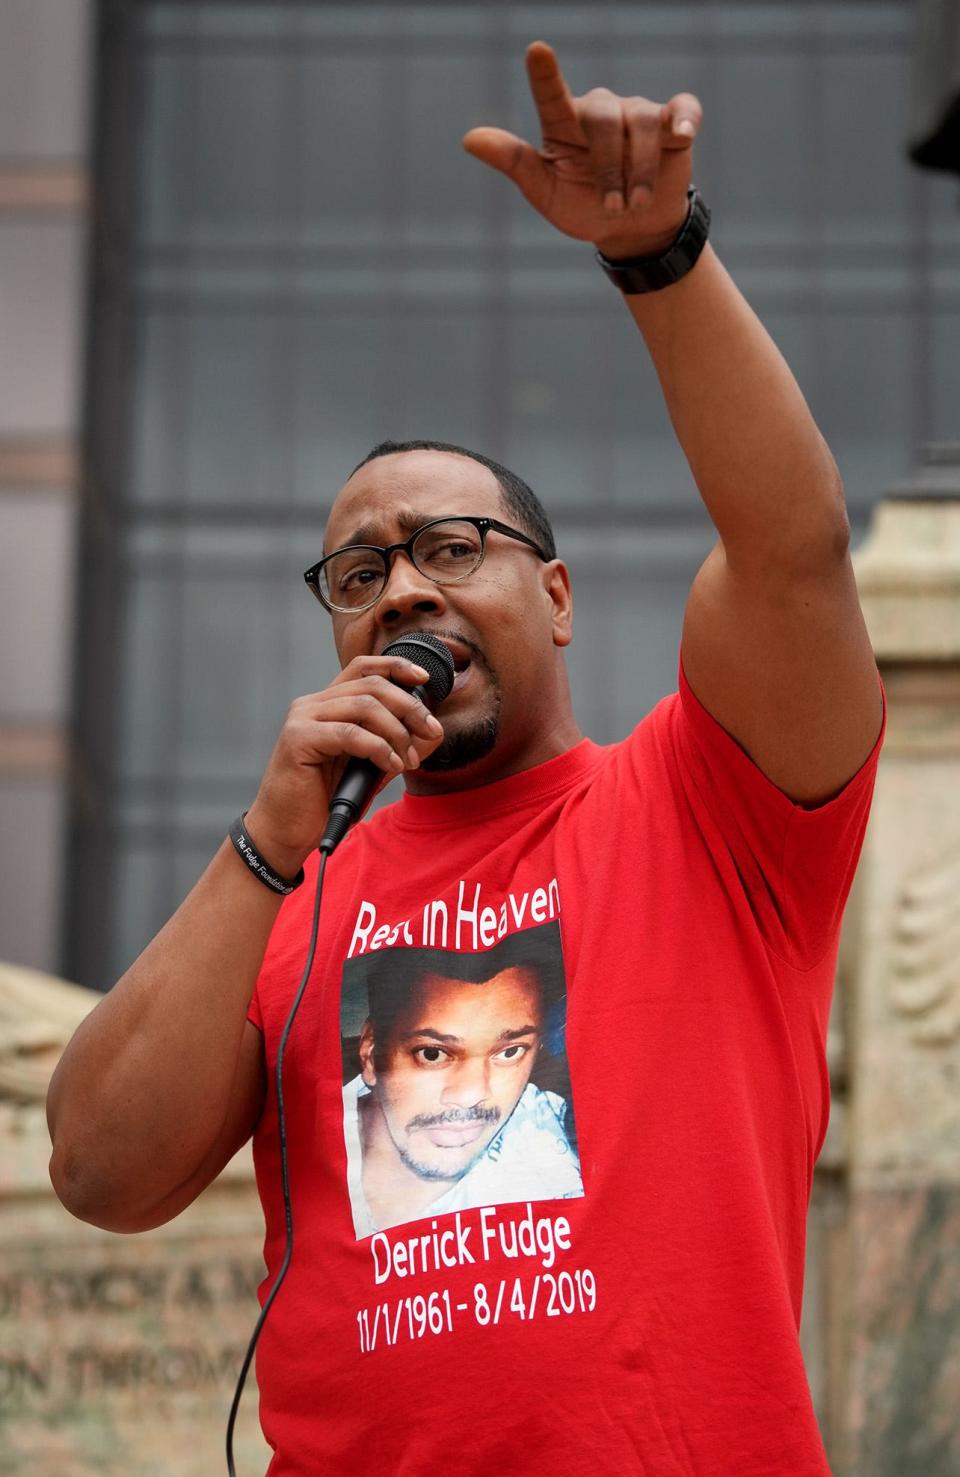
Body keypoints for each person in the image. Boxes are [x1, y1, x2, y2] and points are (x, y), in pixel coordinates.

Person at [47, 40, 884, 1476]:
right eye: (359, 570)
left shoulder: (705, 801)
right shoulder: (286, 898)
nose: (404, 590)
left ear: (556, 597)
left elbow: (793, 553)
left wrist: (661, 259)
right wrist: (265, 841)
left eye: (451, 548)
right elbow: (101, 1172)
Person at [342, 925, 583, 1236]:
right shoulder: (306, 1141)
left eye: (510, 1053)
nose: (471, 1094)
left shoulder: (556, 1154)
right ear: (371, 1053)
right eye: (432, 1054)